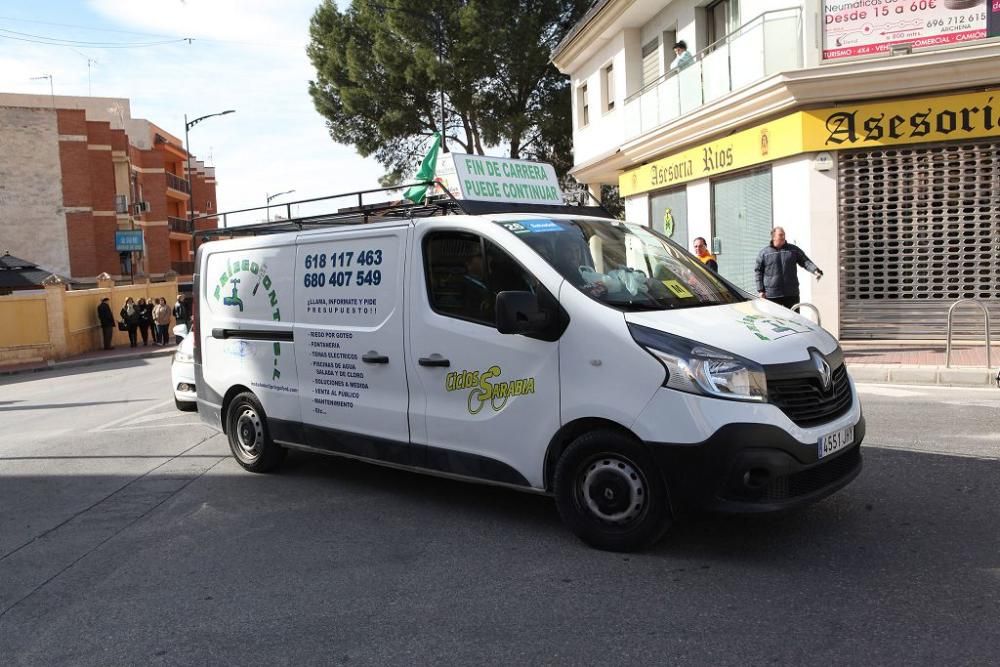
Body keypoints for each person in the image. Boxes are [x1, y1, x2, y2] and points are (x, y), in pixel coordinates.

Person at [754, 226, 823, 309]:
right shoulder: (764, 253)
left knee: (794, 320)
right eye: (780, 235)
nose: (783, 237)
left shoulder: (793, 250)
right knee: (775, 320)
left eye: (784, 234)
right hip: (772, 296)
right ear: (774, 237)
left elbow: (805, 261)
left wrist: (815, 270)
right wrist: (761, 290)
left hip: (791, 294)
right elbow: (758, 271)